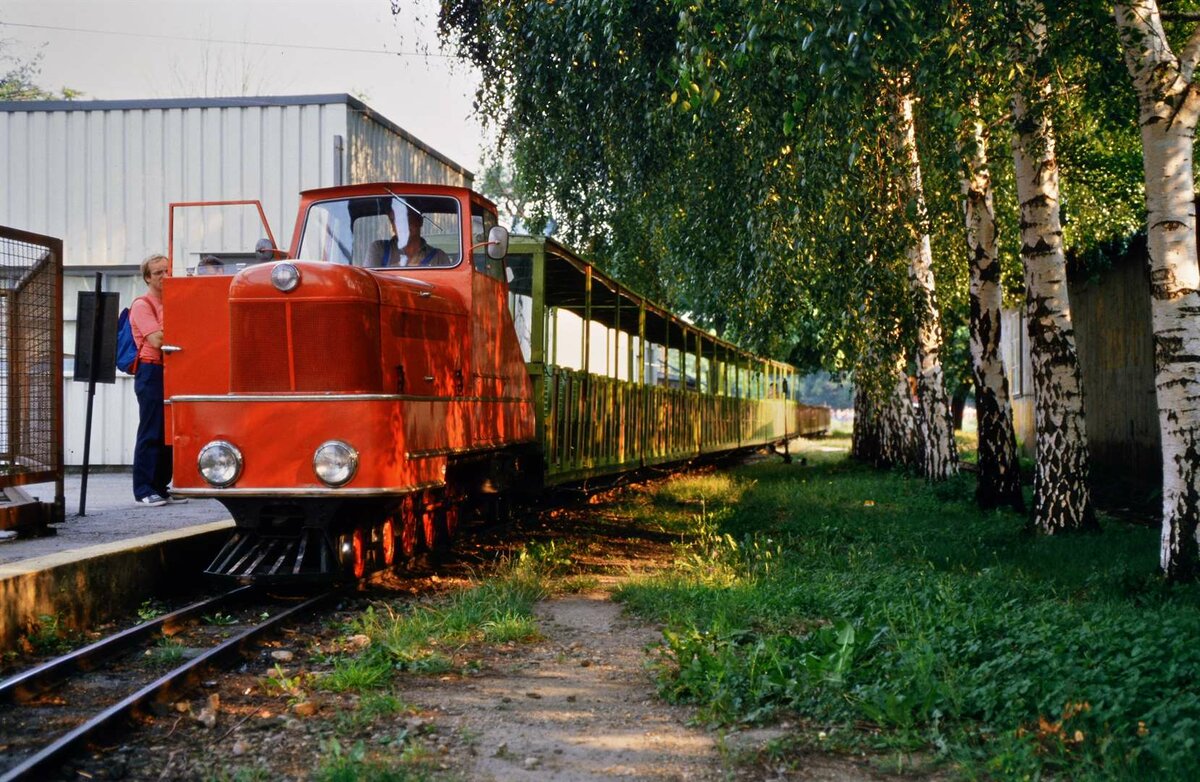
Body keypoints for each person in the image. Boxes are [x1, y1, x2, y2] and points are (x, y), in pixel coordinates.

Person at [130, 253, 186, 507]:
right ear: (147, 278)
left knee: (168, 429)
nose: (165, 276)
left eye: (167, 271)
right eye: (158, 273)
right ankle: (143, 488)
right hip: (151, 370)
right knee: (151, 429)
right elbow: (157, 340)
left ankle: (160, 485)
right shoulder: (143, 305)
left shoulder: (174, 301)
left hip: (172, 368)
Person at [368, 207, 451, 267]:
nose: (401, 225)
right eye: (395, 220)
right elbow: (369, 284)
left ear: (420, 220)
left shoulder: (439, 257)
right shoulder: (379, 249)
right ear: (393, 227)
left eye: (406, 217)